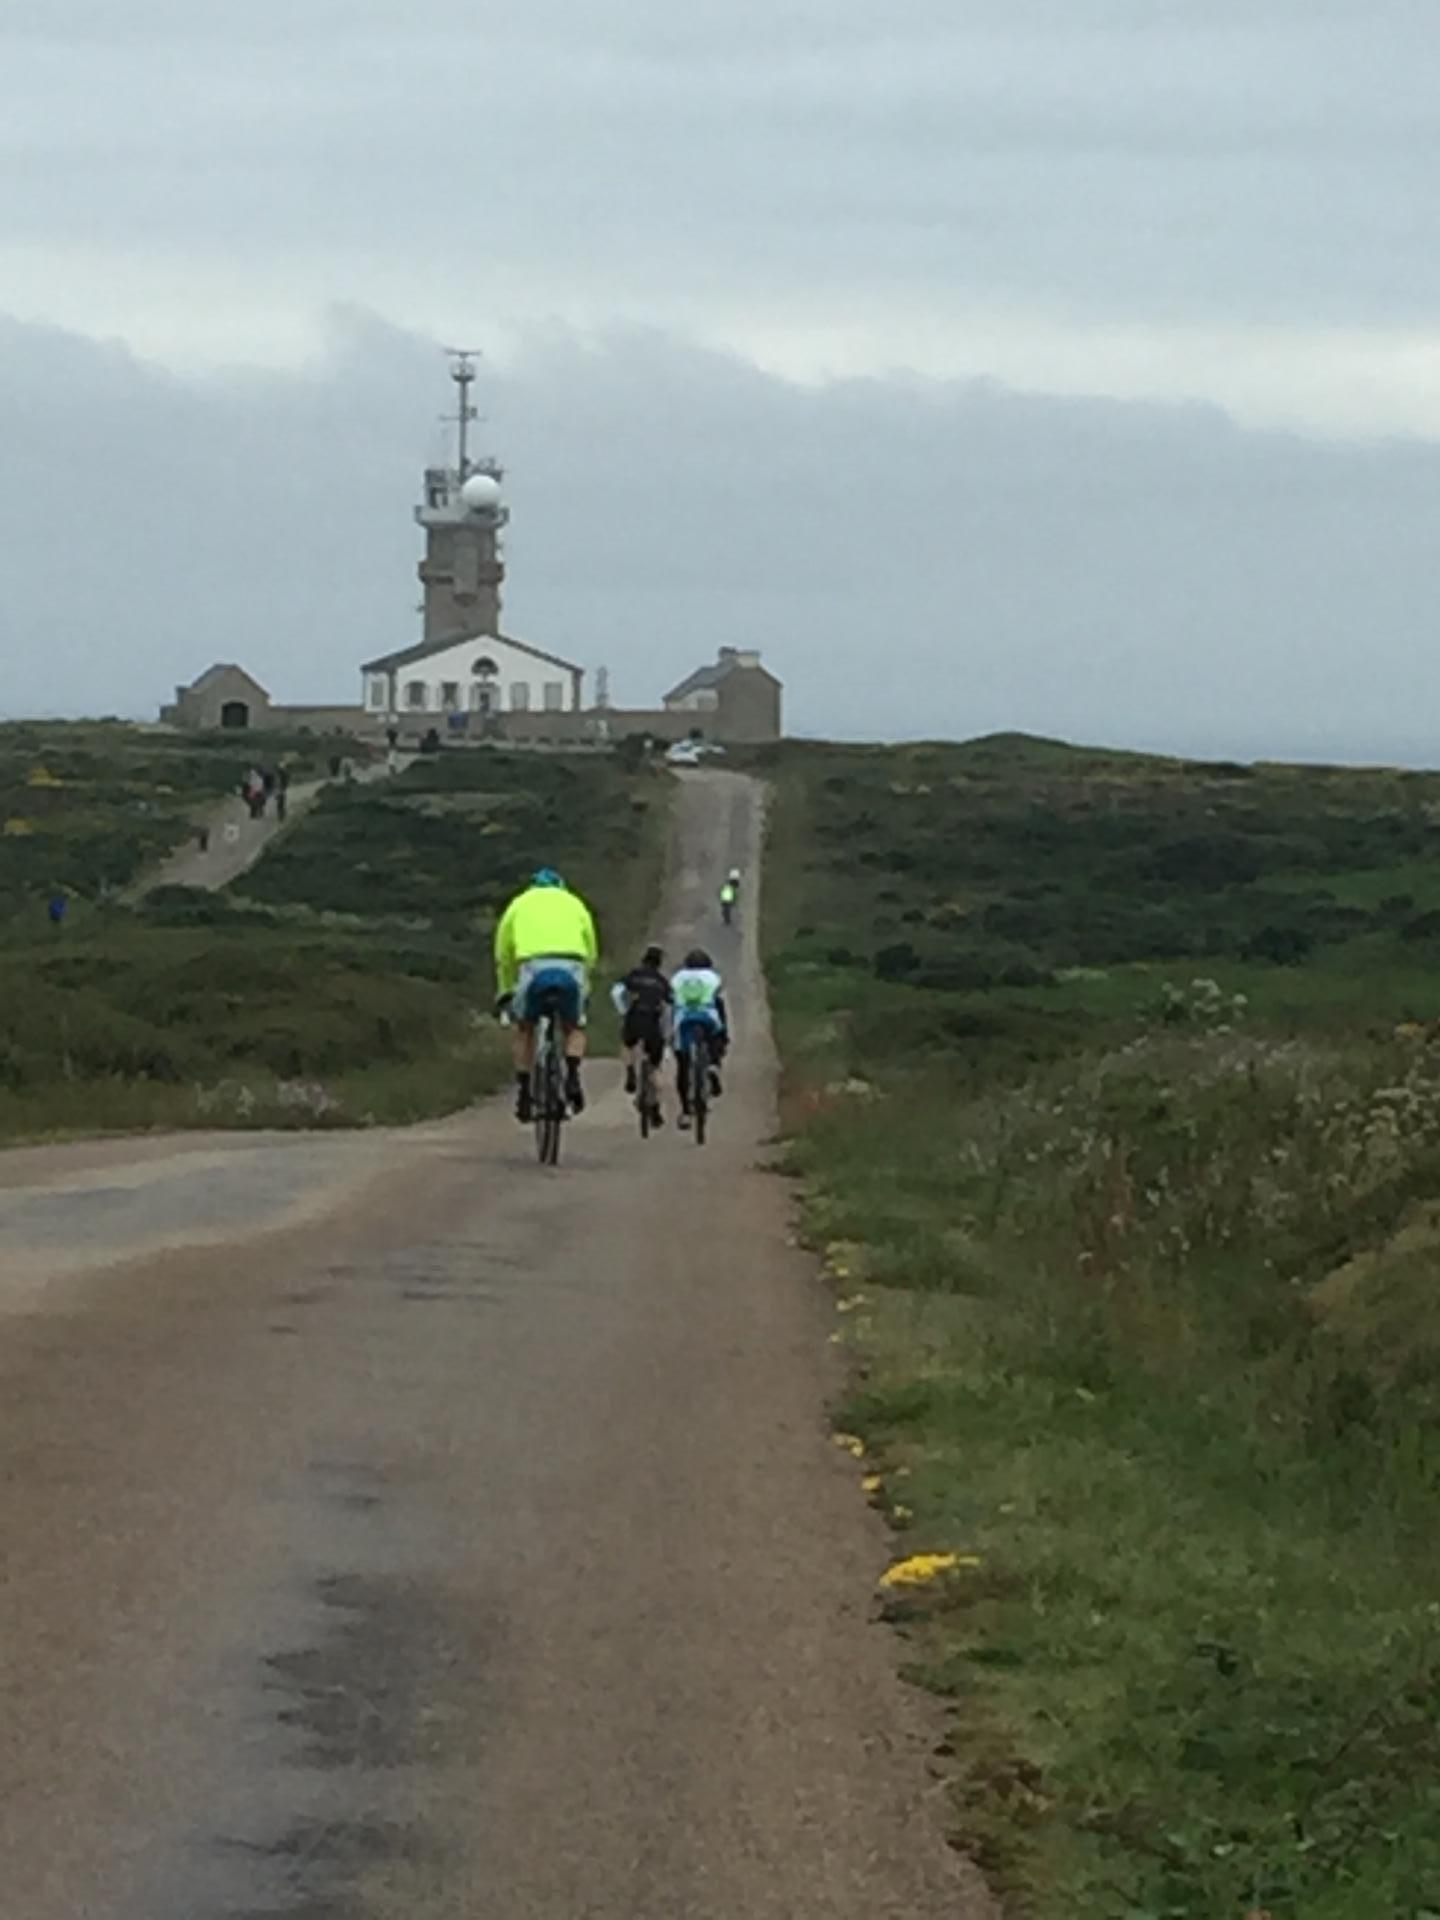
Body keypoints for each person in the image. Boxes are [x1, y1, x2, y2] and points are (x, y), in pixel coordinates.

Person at [494, 869, 600, 1122]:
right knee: (574, 1026)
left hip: (532, 967)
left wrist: (505, 991)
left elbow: (503, 955)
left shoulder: (518, 905)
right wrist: (586, 988)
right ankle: (572, 1074)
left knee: (525, 1028)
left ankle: (524, 1090)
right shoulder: (575, 903)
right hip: (571, 967)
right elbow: (591, 952)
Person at [610, 945, 672, 1127]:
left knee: (628, 1043)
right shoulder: (662, 981)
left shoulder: (633, 975)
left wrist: (623, 1010)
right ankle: (655, 1106)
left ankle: (630, 1072)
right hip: (652, 1021)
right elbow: (671, 1004)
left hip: (634, 1016)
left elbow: (616, 992)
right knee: (655, 1065)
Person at [670, 947, 730, 1129]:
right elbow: (718, 991)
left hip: (683, 1019)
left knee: (682, 1063)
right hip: (707, 1017)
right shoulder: (712, 977)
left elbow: (672, 997)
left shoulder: (678, 977)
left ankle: (686, 1112)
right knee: (718, 1028)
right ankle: (713, 1062)